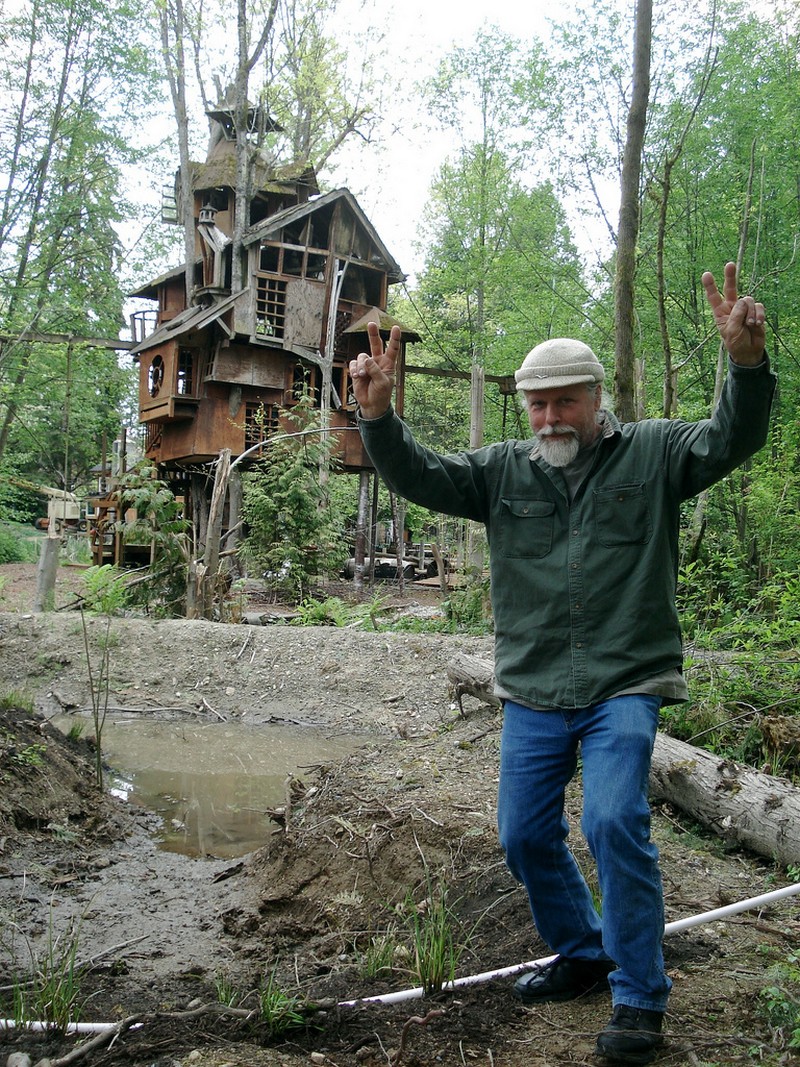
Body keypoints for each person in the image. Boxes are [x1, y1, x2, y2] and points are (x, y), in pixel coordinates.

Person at [349, 263, 775, 1065]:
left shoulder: (651, 454)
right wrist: (378, 415)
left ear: (595, 399)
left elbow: (733, 437)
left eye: (564, 400)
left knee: (614, 818)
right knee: (522, 833)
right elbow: (419, 473)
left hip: (624, 679)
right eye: (536, 403)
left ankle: (641, 996)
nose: (549, 415)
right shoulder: (503, 471)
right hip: (536, 687)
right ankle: (582, 951)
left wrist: (744, 365)